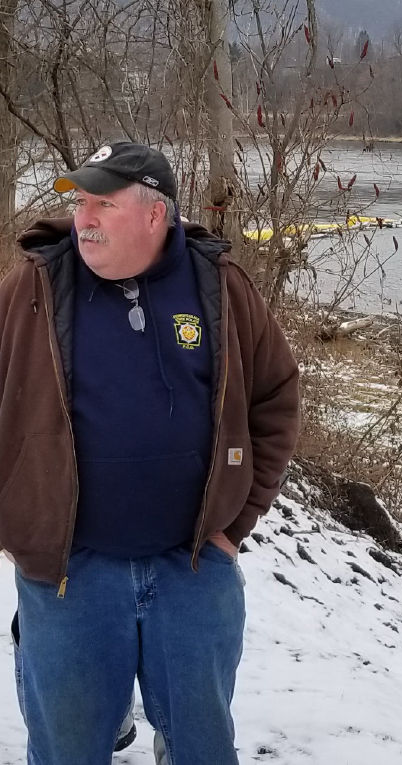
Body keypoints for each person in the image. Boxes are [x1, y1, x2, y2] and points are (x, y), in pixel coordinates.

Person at [0, 142, 301, 763]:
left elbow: (276, 395)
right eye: (79, 201)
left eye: (102, 203)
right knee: (67, 750)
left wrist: (235, 523)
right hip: (68, 578)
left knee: (201, 747)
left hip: (191, 570)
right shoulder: (32, 287)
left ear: (155, 214)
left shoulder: (220, 287)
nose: (83, 216)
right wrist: (16, 518)